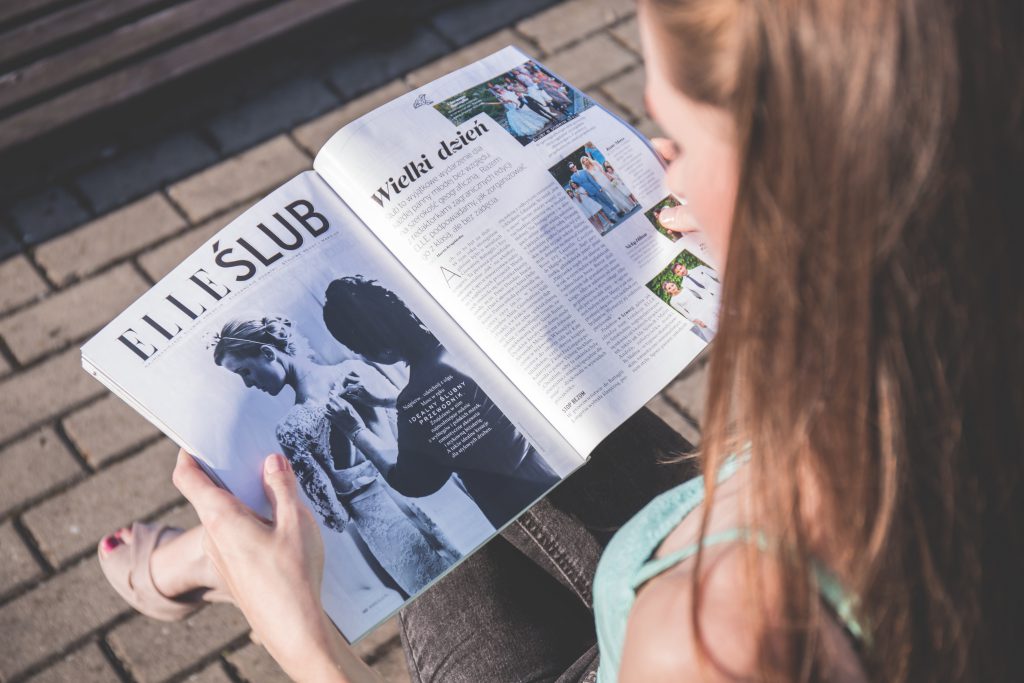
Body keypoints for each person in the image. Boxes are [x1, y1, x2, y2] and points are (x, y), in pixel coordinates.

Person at [100, 0, 1024, 680]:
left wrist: (298, 635)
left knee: (450, 470)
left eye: (678, 136)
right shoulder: (952, 363)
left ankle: (223, 565)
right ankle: (211, 557)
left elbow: (407, 471)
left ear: (804, 183)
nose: (658, 165)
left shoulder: (714, 642)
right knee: (497, 416)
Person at [320, 276, 560, 530]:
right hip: (549, 468)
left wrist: (355, 431)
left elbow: (413, 482)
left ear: (384, 352)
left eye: (359, 350)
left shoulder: (416, 398)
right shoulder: (462, 343)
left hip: (524, 511)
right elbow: (467, 401)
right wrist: (390, 400)